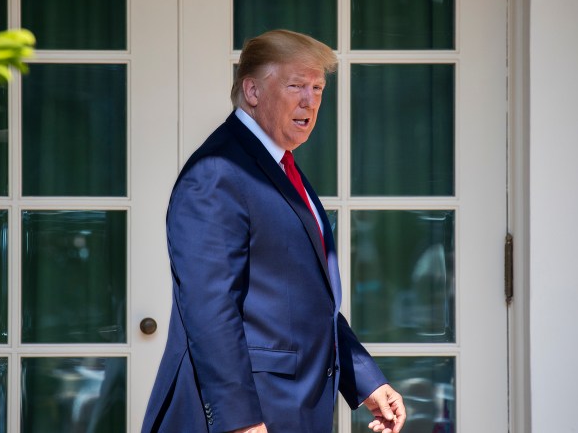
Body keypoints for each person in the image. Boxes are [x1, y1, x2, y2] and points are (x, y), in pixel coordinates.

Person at [141, 29, 406, 433]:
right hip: (253, 415)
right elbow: (209, 308)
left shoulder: (282, 167)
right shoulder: (216, 173)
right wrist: (241, 422)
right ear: (252, 91)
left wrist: (366, 381)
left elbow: (309, 301)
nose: (310, 100)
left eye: (317, 87)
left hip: (294, 410)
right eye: (296, 85)